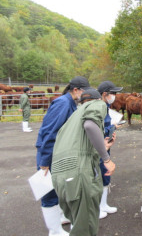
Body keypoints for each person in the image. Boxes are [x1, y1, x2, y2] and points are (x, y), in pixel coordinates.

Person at [51, 88, 116, 236]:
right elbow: (90, 125)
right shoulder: (97, 104)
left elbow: (79, 145)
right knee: (86, 228)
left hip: (60, 176)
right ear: (99, 98)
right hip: (79, 176)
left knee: (78, 224)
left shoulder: (73, 117)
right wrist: (107, 159)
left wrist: (103, 147)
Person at [35, 76, 90, 236]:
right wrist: (44, 161)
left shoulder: (71, 103)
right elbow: (50, 132)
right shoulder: (63, 103)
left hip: (58, 153)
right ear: (76, 90)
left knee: (59, 188)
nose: (85, 95)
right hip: (50, 154)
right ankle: (55, 231)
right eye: (84, 91)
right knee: (49, 192)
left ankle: (60, 217)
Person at [97, 81, 123, 217]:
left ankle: (103, 204)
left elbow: (103, 125)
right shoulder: (97, 107)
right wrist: (108, 128)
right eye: (113, 93)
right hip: (98, 145)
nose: (115, 96)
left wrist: (111, 127)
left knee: (105, 173)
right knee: (98, 174)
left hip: (106, 143)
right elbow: (94, 127)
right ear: (104, 94)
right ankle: (96, 208)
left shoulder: (106, 106)